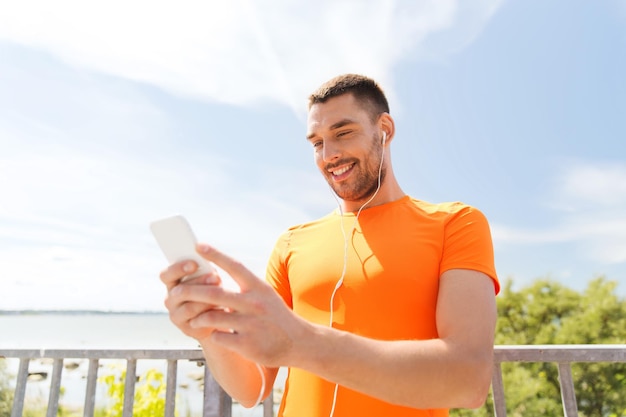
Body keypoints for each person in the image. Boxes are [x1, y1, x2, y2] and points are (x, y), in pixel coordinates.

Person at [161, 74, 499, 417]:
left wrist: (303, 344)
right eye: (317, 143)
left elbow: (467, 378)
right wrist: (209, 332)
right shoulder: (291, 243)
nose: (329, 154)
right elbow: (252, 389)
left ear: (385, 128)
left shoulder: (456, 224)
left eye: (343, 133)